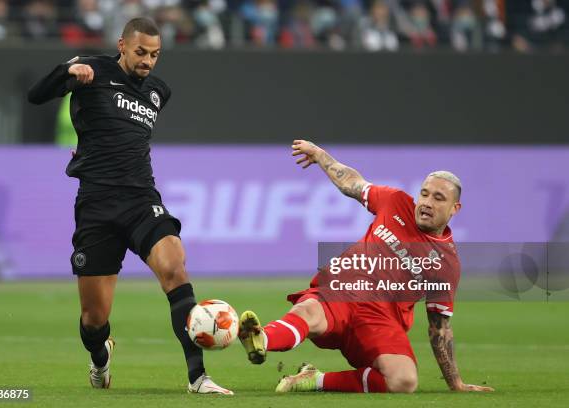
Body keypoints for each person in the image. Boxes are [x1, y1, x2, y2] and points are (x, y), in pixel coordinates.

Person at [27, 17, 232, 395]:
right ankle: (100, 355)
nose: (148, 61)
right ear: (122, 45)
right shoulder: (93, 70)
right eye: (141, 52)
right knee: (93, 319)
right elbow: (36, 95)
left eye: (155, 54)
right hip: (97, 204)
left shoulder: (158, 92)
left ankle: (198, 378)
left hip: (141, 200)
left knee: (175, 268)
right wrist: (67, 71)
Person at [238, 139, 495, 394]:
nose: (427, 202)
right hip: (342, 291)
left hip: (381, 319)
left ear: (455, 208)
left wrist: (456, 383)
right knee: (308, 311)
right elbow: (352, 182)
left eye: (439, 198)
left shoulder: (446, 264)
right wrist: (319, 155)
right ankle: (261, 338)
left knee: (403, 381)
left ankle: (313, 380)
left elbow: (439, 327)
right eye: (425, 193)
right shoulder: (395, 202)